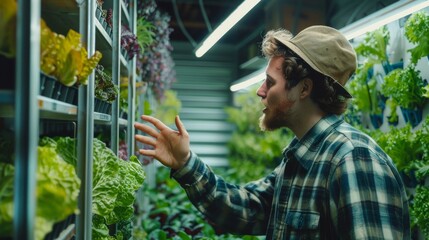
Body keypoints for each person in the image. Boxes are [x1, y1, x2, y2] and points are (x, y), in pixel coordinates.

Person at [134, 25, 410, 239]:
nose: (260, 91)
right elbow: (247, 209)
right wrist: (185, 163)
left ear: (304, 89)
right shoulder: (300, 158)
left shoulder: (353, 160)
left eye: (270, 82)